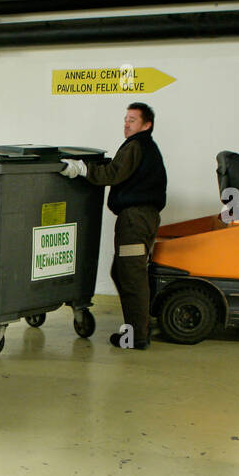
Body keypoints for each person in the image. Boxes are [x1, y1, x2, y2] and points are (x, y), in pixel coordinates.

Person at [61, 102, 167, 349]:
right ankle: (139, 327)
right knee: (122, 272)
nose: (127, 124)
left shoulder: (137, 145)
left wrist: (82, 169)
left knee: (131, 275)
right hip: (140, 218)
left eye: (132, 119)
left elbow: (113, 174)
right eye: (125, 119)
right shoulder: (143, 147)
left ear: (146, 125)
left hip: (135, 220)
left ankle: (137, 337)